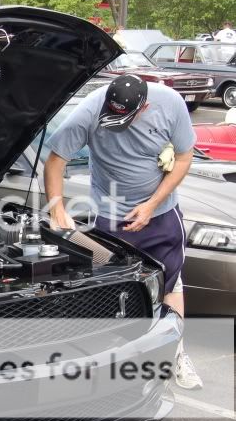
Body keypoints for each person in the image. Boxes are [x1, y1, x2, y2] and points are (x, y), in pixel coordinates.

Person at [44, 74, 202, 390]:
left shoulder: (169, 103)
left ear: (143, 107)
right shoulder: (89, 112)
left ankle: (175, 355)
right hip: (110, 219)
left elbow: (185, 157)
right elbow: (55, 161)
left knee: (170, 283)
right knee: (114, 291)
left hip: (161, 215)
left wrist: (151, 204)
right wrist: (57, 208)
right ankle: (118, 366)